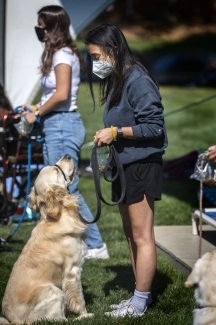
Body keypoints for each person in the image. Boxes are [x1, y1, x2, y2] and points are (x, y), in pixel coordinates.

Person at [84, 23, 168, 317]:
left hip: (142, 167)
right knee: (131, 235)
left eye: (96, 56)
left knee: (142, 235)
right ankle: (137, 297)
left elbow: (154, 127)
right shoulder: (119, 79)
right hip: (123, 167)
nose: (94, 63)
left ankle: (141, 302)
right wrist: (111, 156)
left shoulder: (138, 80)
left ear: (113, 50)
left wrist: (115, 133)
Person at [23, 5, 109, 259]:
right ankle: (70, 240)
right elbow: (55, 95)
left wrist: (36, 113)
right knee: (61, 190)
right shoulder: (59, 53)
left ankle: (95, 245)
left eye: (41, 24)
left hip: (62, 124)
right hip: (56, 123)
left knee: (67, 189)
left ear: (52, 26)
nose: (38, 28)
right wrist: (37, 106)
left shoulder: (62, 55)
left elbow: (61, 94)